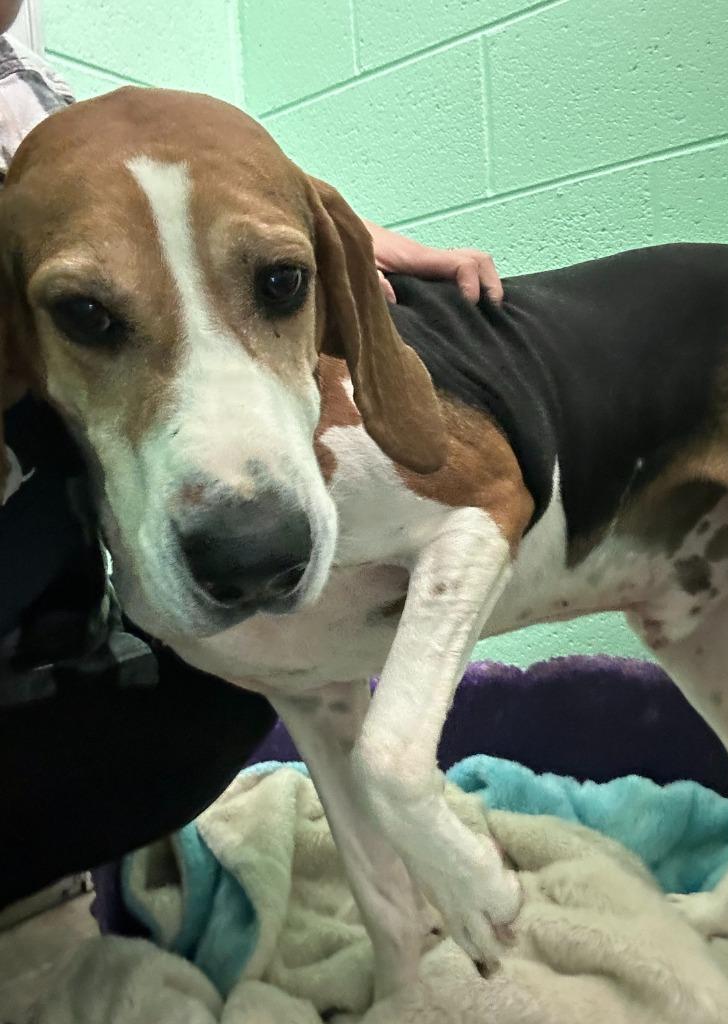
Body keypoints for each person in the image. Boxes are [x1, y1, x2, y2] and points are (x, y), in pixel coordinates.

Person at [0, 1, 503, 909]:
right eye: (90, 316)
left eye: (279, 285)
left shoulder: (26, 94)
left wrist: (323, 240)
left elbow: (157, 218)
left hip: (82, 653)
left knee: (232, 681)